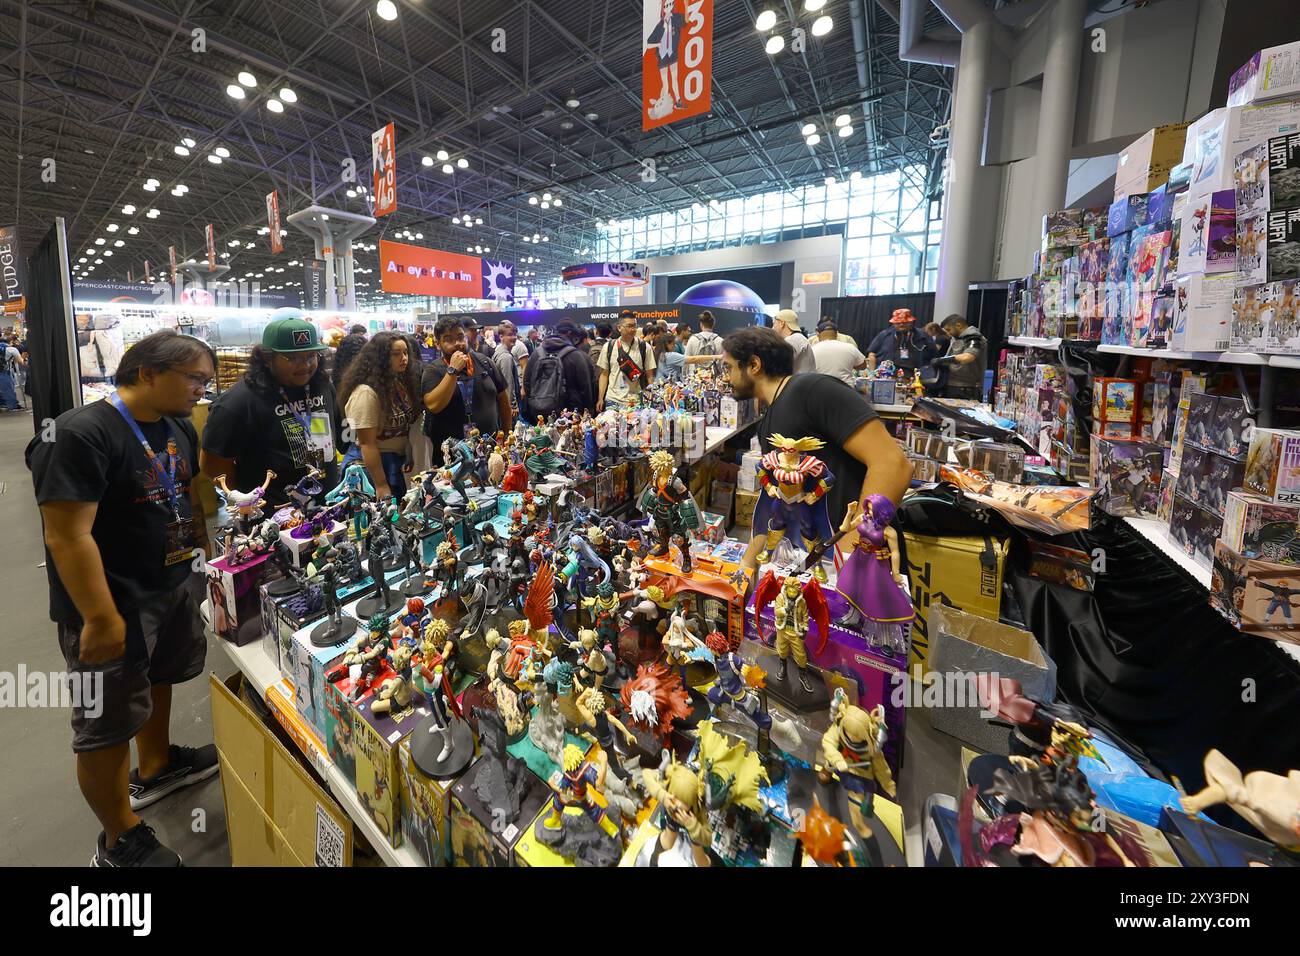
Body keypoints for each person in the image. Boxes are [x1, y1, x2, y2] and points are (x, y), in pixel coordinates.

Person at [28, 330, 217, 867]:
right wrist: (99, 615)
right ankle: (117, 837)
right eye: (195, 378)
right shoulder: (79, 433)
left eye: (207, 379)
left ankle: (156, 765)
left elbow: (185, 496)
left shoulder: (178, 425)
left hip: (171, 586)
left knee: (159, 679)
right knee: (104, 724)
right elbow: (66, 534)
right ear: (146, 372)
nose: (203, 389)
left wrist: (204, 562)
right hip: (112, 605)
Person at [719, 327, 912, 577]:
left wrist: (850, 549)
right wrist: (748, 560)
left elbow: (893, 464)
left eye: (729, 368)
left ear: (754, 364)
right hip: (816, 565)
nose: (725, 378)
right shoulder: (769, 421)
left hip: (859, 566)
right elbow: (777, 501)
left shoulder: (811, 390)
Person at [201, 312, 339, 509]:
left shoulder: (322, 385)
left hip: (328, 506)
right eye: (293, 358)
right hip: (273, 517)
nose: (306, 365)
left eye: (311, 356)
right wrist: (247, 500)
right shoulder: (238, 401)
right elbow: (212, 464)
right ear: (267, 358)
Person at [338, 331, 422, 504]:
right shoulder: (366, 393)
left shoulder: (398, 383)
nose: (404, 358)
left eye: (406, 353)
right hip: (371, 466)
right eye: (396, 354)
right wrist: (381, 485)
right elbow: (367, 444)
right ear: (381, 357)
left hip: (392, 462)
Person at [421, 315, 513, 463]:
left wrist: (508, 434)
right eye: (448, 339)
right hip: (451, 455)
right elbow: (433, 405)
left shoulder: (485, 362)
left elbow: (503, 400)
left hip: (490, 449)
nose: (457, 343)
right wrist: (452, 371)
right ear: (438, 344)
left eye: (460, 337)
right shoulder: (433, 370)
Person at [522, 319, 598, 416]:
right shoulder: (576, 356)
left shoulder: (537, 353)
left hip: (540, 411)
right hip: (570, 415)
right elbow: (586, 388)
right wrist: (589, 409)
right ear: (570, 333)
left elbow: (527, 382)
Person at [597, 310, 657, 411]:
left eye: (635, 326)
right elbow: (604, 374)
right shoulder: (609, 347)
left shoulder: (644, 347)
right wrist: (600, 398)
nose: (633, 329)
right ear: (619, 327)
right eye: (629, 326)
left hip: (636, 401)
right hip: (613, 400)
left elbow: (649, 374)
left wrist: (651, 394)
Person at [932, 314, 988, 400]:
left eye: (948, 329)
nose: (948, 333)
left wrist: (942, 360)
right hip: (953, 384)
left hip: (966, 387)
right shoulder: (956, 338)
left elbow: (968, 357)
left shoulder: (974, 338)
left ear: (958, 325)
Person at [866, 309, 935, 374]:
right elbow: (872, 354)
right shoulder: (884, 335)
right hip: (888, 373)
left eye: (905, 322)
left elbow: (934, 356)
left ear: (911, 322)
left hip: (916, 374)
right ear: (893, 323)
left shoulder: (923, 336)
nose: (901, 325)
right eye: (898, 323)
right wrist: (872, 373)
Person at [810, 318, 869, 386]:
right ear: (837, 334)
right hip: (846, 390)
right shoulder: (850, 347)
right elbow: (863, 366)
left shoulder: (812, 349)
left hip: (821, 388)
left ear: (818, 335)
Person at [493, 319, 529, 409]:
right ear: (501, 337)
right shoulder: (506, 357)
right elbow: (508, 384)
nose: (514, 337)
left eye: (514, 334)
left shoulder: (499, 352)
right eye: (510, 335)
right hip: (508, 406)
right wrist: (512, 406)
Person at [771, 309, 817, 374]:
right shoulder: (797, 338)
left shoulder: (793, 340)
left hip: (800, 382)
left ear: (782, 323)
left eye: (774, 324)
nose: (772, 328)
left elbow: (778, 365)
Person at [922, 321, 951, 396]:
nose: (927, 333)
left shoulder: (940, 339)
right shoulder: (943, 337)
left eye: (928, 331)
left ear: (934, 329)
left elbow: (934, 351)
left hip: (939, 364)